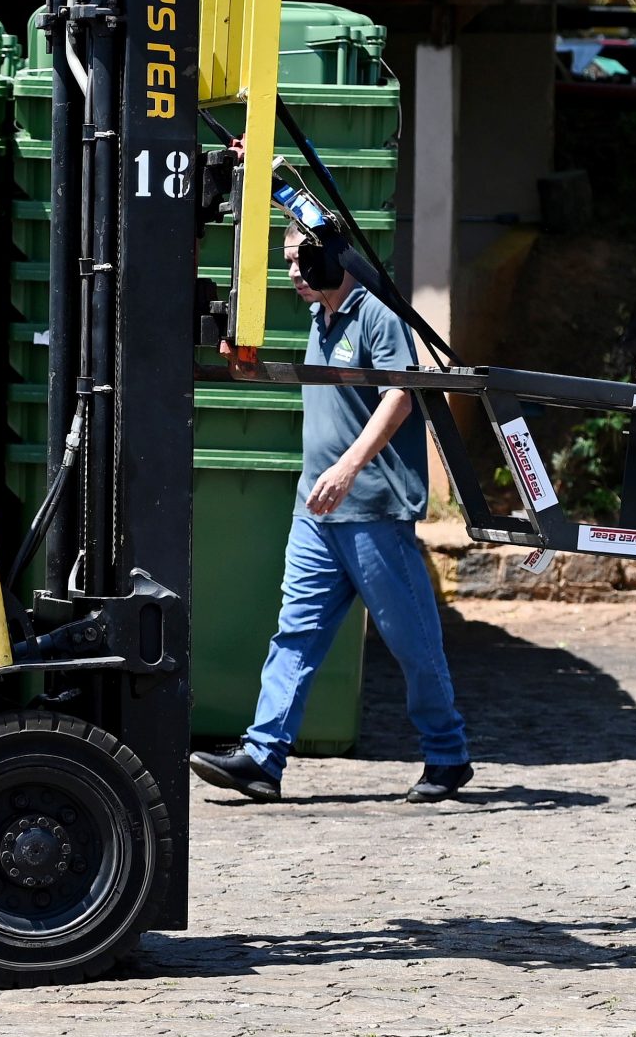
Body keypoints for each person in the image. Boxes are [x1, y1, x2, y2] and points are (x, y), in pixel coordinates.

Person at [188, 218, 473, 805]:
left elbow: (402, 391)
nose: (291, 271)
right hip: (316, 515)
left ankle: (447, 756)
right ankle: (263, 759)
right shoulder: (321, 321)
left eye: (299, 259)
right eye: (287, 260)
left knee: (411, 642)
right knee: (295, 636)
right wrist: (238, 363)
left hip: (371, 510)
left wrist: (347, 469)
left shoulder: (376, 315)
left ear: (332, 258)